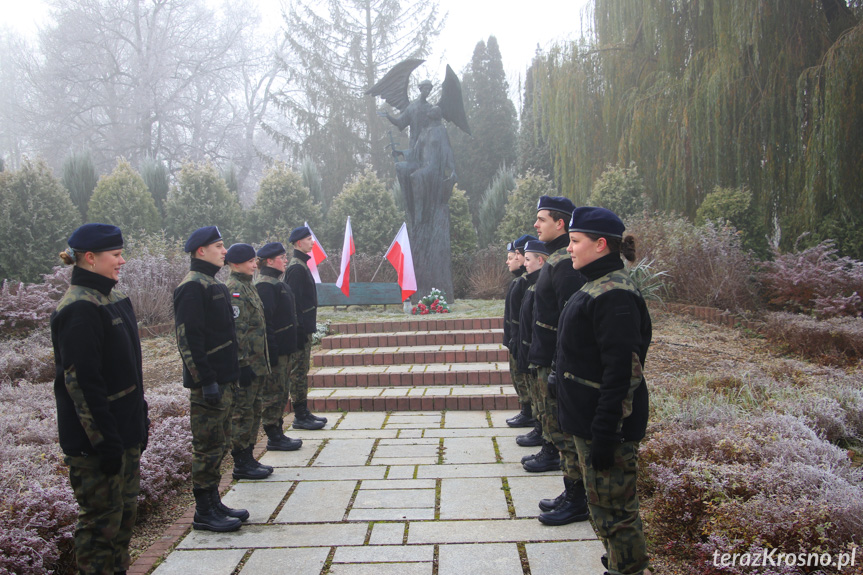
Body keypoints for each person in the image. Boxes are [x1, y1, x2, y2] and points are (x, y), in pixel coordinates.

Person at [556, 207, 652, 575]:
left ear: (600, 245)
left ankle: (627, 568)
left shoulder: (614, 295)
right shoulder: (596, 285)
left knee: (615, 512)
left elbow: (621, 373)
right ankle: (618, 559)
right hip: (590, 420)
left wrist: (605, 432)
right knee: (604, 508)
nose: (569, 249)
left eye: (575, 241)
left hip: (607, 426)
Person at [51, 223, 149, 575]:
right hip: (97, 444)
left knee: (122, 520)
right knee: (99, 528)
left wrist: (141, 416)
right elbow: (82, 384)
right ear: (90, 258)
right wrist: (105, 442)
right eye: (116, 255)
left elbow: (128, 370)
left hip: (123, 432)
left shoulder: (113, 298)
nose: (123, 260)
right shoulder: (78, 307)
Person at [173, 226, 246, 532]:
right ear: (200, 251)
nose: (224, 250)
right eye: (218, 245)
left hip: (225, 379)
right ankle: (204, 511)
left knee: (219, 443)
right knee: (206, 448)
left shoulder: (212, 284)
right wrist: (205, 380)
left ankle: (214, 502)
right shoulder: (192, 287)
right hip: (209, 384)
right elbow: (189, 339)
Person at [527, 196, 590, 527]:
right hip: (547, 357)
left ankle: (577, 499)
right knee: (558, 429)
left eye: (542, 219)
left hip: (557, 362)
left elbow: (570, 318)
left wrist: (557, 367)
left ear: (560, 224)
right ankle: (572, 492)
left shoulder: (566, 263)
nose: (536, 225)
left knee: (565, 434)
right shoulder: (557, 258)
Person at [225, 243, 274, 480]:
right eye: (250, 262)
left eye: (255, 261)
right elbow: (237, 331)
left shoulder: (248, 286)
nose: (255, 265)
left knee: (254, 410)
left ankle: (249, 457)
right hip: (246, 365)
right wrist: (242, 364)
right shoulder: (234, 289)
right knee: (243, 412)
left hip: (257, 362)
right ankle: (241, 461)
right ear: (236, 264)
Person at [255, 241, 310, 444]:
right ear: (270, 261)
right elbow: (266, 321)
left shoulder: (277, 283)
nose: (286, 260)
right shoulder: (265, 286)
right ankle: (273, 435)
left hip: (286, 350)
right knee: (273, 394)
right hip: (276, 352)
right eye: (282, 258)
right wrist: (273, 349)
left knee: (281, 392)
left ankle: (278, 432)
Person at [285, 226, 327, 429]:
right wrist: (299, 329)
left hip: (304, 328)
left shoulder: (301, 264)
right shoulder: (296, 268)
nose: (313, 242)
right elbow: (293, 303)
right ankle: (300, 415)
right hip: (300, 330)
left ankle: (304, 411)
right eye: (309, 239)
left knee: (303, 370)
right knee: (298, 372)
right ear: (299, 243)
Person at [515, 240, 547, 451]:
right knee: (538, 397)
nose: (524, 264)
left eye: (528, 260)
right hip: (529, 349)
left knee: (544, 400)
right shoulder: (532, 285)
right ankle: (540, 428)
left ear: (540, 260)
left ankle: (546, 439)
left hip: (538, 352)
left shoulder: (540, 287)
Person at [504, 234, 536, 428]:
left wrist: (516, 339)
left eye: (515, 255)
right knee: (518, 375)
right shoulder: (520, 281)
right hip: (516, 338)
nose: (511, 260)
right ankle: (526, 410)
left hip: (520, 339)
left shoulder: (524, 282)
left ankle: (529, 411)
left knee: (523, 377)